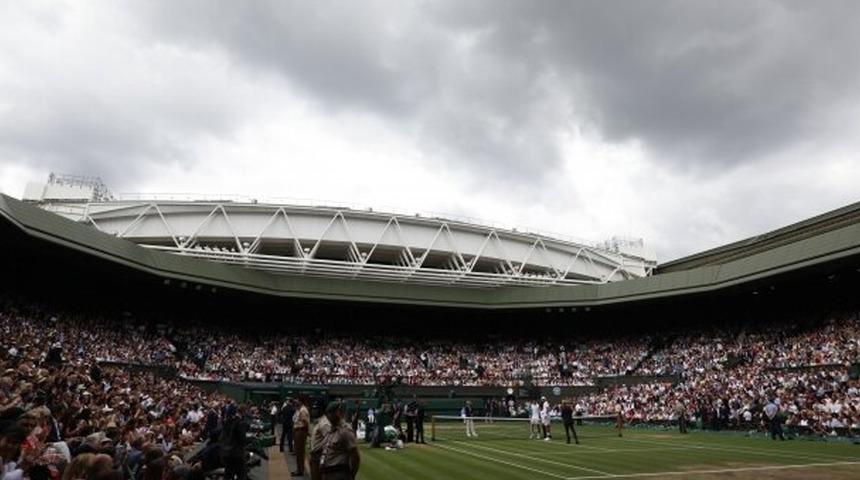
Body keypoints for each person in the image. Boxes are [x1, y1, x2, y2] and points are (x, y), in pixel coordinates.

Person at [310, 401, 361, 480]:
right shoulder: (332, 430)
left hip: (338, 473)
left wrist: (351, 475)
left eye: (333, 412)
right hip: (327, 473)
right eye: (328, 413)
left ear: (339, 412)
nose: (330, 415)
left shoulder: (345, 430)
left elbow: (355, 455)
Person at [218, 404, 248, 480]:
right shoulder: (240, 422)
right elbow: (242, 440)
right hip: (236, 454)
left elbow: (221, 437)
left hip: (225, 452)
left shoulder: (226, 422)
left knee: (228, 474)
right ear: (243, 412)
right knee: (241, 475)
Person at [292, 398, 311, 477]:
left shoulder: (303, 410)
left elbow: (305, 422)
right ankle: (299, 469)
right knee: (299, 452)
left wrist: (306, 431)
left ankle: (300, 470)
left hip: (300, 431)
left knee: (299, 452)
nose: (296, 402)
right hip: (299, 431)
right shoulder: (301, 409)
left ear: (301, 401)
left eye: (298, 401)